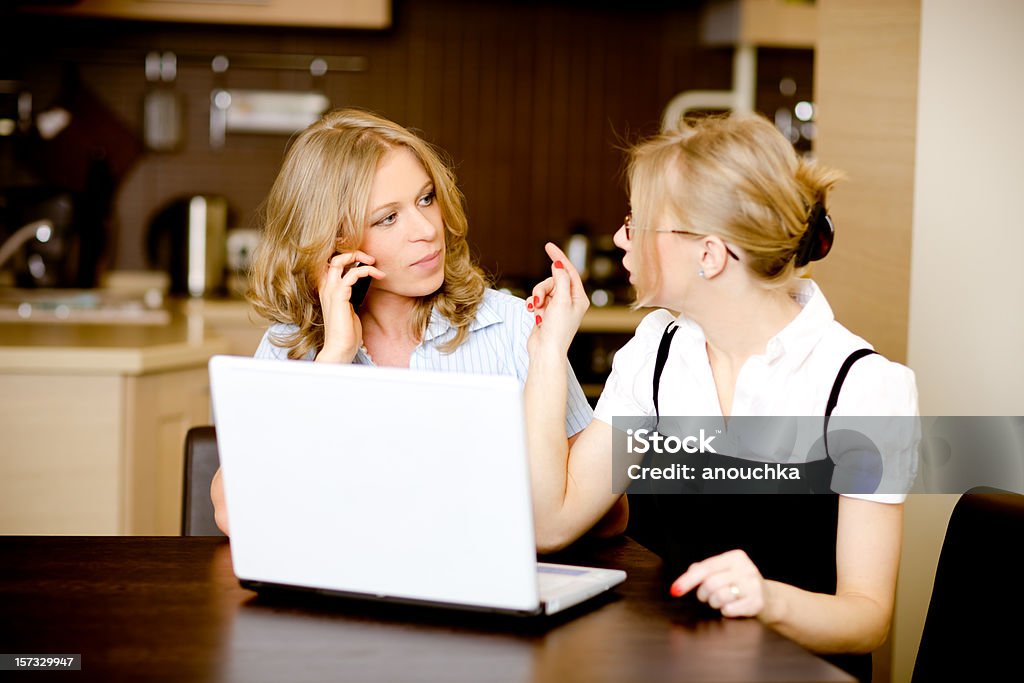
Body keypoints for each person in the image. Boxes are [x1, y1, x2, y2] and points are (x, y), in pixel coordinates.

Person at [523, 113, 917, 681]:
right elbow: (551, 522)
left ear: (709, 255)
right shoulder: (656, 351)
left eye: (637, 224)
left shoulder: (861, 387)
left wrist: (767, 600)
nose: (619, 239)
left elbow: (866, 618)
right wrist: (547, 351)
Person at [210, 108, 597, 536]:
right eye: (388, 218)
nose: (427, 230)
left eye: (426, 198)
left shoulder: (516, 326)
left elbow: (609, 513)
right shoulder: (291, 345)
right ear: (335, 240)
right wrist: (334, 359)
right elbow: (232, 511)